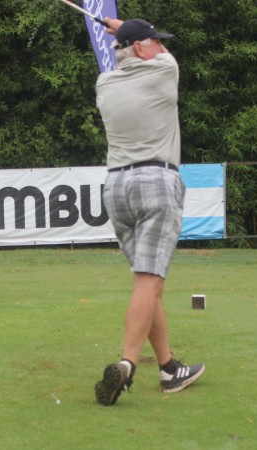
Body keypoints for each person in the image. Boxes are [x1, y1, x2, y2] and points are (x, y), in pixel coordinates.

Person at [94, 18, 205, 406]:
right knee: (148, 280)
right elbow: (165, 55)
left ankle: (169, 368)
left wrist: (129, 35)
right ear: (141, 48)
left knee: (148, 280)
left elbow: (128, 55)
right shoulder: (165, 70)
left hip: (116, 187)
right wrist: (124, 25)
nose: (161, 46)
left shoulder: (105, 84)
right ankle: (127, 364)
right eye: (155, 41)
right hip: (156, 181)